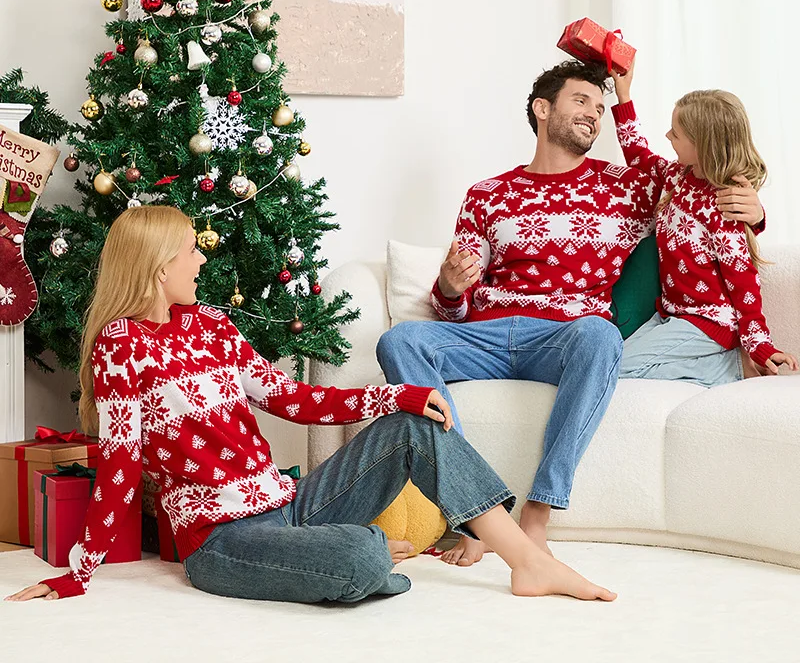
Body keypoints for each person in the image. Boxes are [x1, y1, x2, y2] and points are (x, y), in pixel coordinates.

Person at [6, 205, 617, 604]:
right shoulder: (122, 348)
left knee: (410, 428)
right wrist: (77, 572)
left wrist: (399, 394)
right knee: (360, 555)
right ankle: (368, 557)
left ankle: (526, 560)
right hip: (220, 542)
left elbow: (294, 398)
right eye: (191, 251)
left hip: (291, 506)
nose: (201, 260)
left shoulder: (213, 325)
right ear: (158, 265)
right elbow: (119, 463)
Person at [377, 60, 766, 567]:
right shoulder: (487, 195)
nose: (594, 115)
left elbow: (705, 189)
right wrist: (449, 288)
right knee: (400, 342)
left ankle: (537, 513)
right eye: (581, 101)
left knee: (601, 337)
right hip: (487, 336)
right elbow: (452, 310)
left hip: (563, 339)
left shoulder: (627, 188)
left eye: (601, 108)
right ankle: (477, 512)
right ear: (543, 109)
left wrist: (756, 211)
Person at [611, 62, 798, 384]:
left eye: (676, 133)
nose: (667, 135)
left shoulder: (724, 205)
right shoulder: (677, 177)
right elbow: (639, 155)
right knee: (607, 359)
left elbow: (744, 282)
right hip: (671, 313)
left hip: (706, 321)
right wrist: (624, 94)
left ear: (702, 144)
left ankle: (730, 370)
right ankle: (723, 366)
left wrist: (759, 345)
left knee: (615, 369)